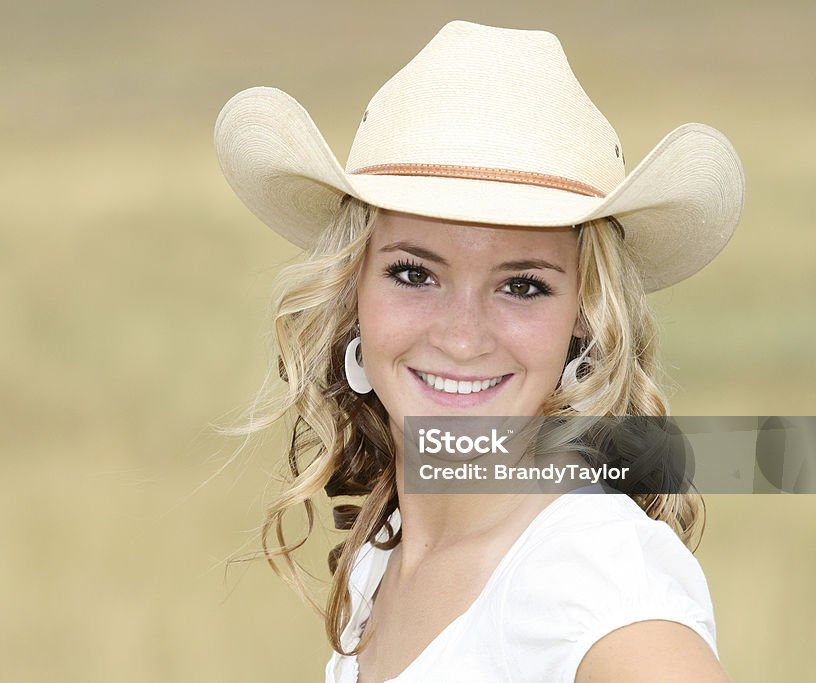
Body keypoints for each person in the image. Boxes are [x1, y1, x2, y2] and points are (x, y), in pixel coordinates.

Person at [214, 21, 743, 682]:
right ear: (354, 290)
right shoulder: (386, 548)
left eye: (522, 286)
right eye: (414, 274)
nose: (462, 336)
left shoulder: (597, 580)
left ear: (583, 320)